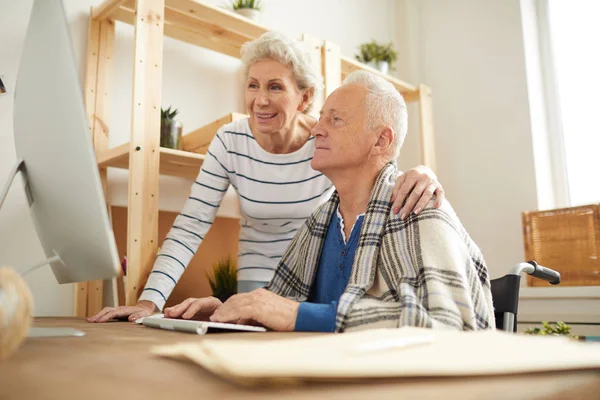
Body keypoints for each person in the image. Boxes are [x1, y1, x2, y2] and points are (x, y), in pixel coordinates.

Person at [87, 32, 445, 324]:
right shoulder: (231, 141)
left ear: (304, 98)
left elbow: (376, 164)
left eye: (275, 87)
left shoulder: (324, 145)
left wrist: (422, 171)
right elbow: (190, 225)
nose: (260, 100)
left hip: (317, 278)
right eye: (253, 85)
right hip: (263, 277)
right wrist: (150, 302)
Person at [167, 70, 495, 332]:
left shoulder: (420, 208)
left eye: (335, 120)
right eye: (320, 118)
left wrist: (303, 316)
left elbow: (447, 327)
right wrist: (226, 310)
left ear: (381, 139)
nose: (316, 131)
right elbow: (275, 306)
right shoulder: (318, 223)